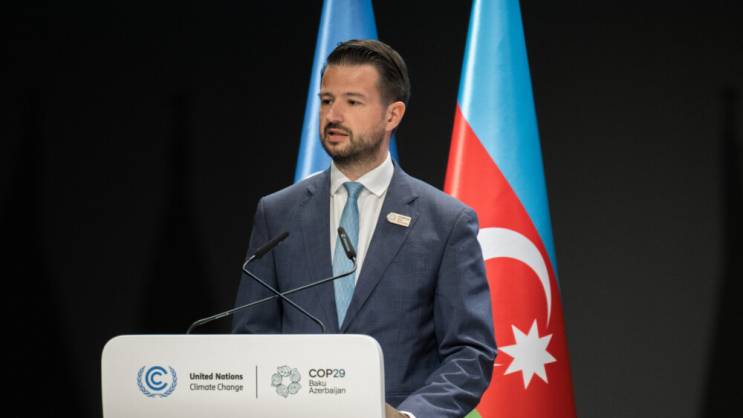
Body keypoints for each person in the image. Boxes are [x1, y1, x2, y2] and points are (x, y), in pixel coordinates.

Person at [232, 39, 496, 418]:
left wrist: (409, 416)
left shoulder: (446, 222)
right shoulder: (278, 213)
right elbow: (250, 337)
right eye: (326, 100)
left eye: (353, 102)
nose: (333, 114)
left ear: (393, 115)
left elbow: (470, 353)